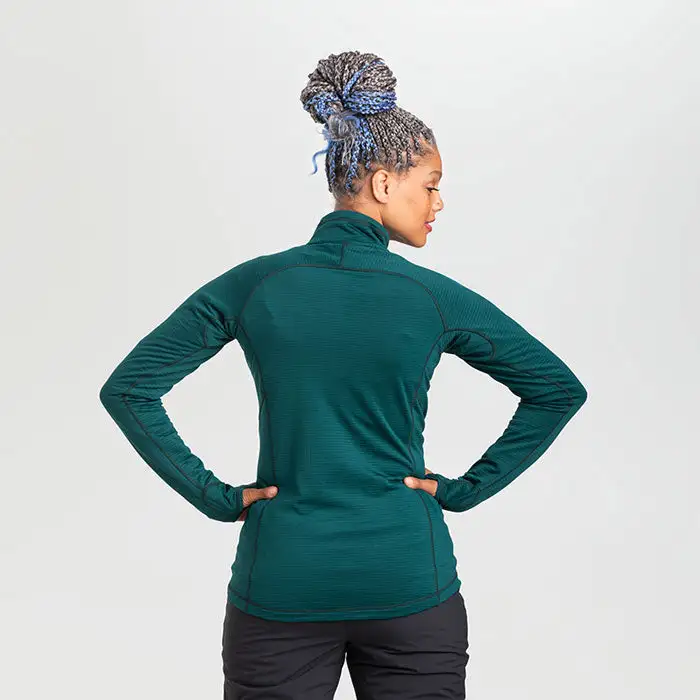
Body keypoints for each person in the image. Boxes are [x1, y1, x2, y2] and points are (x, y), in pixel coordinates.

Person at [99, 50, 587, 699]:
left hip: (282, 584)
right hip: (409, 583)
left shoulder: (255, 285)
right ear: (384, 184)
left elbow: (130, 389)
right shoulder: (433, 298)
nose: (439, 201)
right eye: (431, 184)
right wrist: (464, 491)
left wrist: (218, 498)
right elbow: (556, 389)